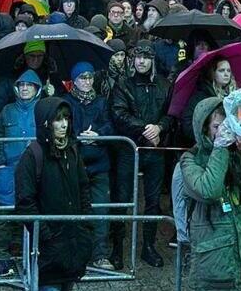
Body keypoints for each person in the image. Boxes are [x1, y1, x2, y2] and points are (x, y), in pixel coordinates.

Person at [180, 95, 241, 291]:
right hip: (214, 266)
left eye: (227, 125)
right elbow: (209, 191)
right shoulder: (190, 159)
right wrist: (220, 147)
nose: (224, 131)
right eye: (217, 127)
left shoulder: (238, 154)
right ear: (203, 128)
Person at [15, 97, 93, 291]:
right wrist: (46, 236)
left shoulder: (72, 150)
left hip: (73, 245)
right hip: (49, 250)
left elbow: (83, 187)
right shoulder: (33, 155)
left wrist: (85, 225)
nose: (64, 124)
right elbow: (25, 201)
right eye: (58, 119)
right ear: (46, 122)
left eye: (66, 118)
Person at [109, 39, 171, 267]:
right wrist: (146, 128)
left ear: (152, 60)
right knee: (121, 198)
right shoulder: (123, 84)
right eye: (138, 57)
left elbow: (170, 113)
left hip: (155, 150)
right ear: (133, 59)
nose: (142, 61)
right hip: (129, 148)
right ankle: (117, 247)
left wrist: (160, 127)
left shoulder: (164, 85)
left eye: (146, 57)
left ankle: (149, 246)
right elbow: (118, 113)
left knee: (153, 201)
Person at [0, 69, 42, 275]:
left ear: (37, 89)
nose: (25, 88)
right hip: (7, 171)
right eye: (21, 85)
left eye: (29, 85)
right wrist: (0, 161)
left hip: (35, 171)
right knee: (3, 216)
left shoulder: (44, 109)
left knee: (32, 214)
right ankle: (2, 257)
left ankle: (29, 255)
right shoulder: (7, 110)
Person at [61, 62, 115, 270]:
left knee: (101, 209)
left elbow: (110, 123)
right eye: (82, 77)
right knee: (73, 210)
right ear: (74, 80)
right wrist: (78, 137)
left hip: (99, 163)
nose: (87, 81)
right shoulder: (66, 102)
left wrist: (99, 134)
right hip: (75, 162)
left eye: (90, 77)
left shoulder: (101, 102)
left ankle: (100, 254)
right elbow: (62, 125)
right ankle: (74, 253)